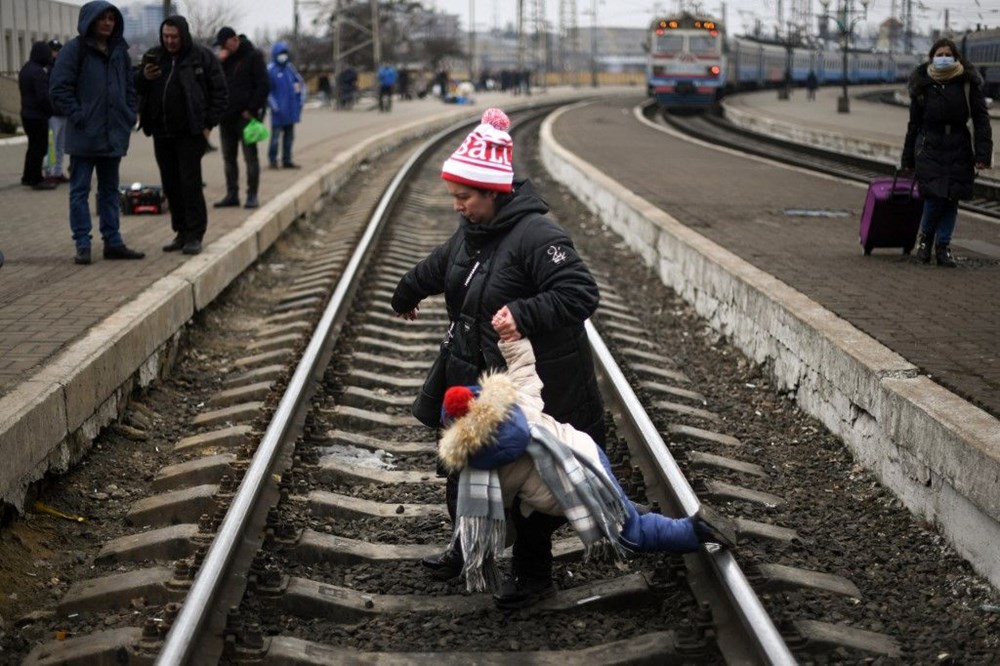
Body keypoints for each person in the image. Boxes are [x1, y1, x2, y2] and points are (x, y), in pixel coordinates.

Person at [391, 108, 605, 608]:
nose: (457, 207)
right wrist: (406, 294)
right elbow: (438, 267)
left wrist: (526, 312)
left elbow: (581, 294)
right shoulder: (473, 233)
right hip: (477, 376)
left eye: (464, 198)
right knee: (462, 469)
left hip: (536, 385)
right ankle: (467, 549)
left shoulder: (538, 236)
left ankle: (534, 578)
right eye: (454, 197)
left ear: (493, 192)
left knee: (531, 487)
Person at [438, 332, 737, 605]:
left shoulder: (488, 466)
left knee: (631, 535)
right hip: (582, 450)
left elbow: (497, 524)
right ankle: (626, 507)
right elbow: (523, 369)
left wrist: (471, 549)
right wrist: (511, 339)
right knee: (538, 513)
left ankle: (696, 529)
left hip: (580, 482)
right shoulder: (513, 403)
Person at [49, 0, 144, 265]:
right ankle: (82, 243)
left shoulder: (119, 52)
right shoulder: (74, 50)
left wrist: (128, 113)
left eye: (112, 18)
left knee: (110, 191)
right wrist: (79, 116)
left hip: (113, 134)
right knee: (79, 190)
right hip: (84, 135)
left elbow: (129, 88)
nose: (107, 23)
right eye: (102, 18)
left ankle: (113, 241)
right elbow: (58, 89)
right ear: (90, 20)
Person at [137, 15, 228, 256]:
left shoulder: (201, 57)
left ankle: (195, 235)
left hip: (190, 132)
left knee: (190, 183)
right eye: (166, 36)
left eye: (174, 37)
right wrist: (143, 77)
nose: (170, 41)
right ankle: (181, 231)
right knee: (171, 184)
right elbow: (136, 86)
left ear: (183, 35)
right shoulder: (154, 56)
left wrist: (208, 125)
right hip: (161, 132)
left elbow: (220, 93)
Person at [901, 38, 993, 268]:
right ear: (932, 57)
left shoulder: (967, 83)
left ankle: (943, 247)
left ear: (956, 57)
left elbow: (982, 120)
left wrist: (983, 155)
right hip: (929, 146)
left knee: (952, 199)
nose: (943, 58)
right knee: (934, 197)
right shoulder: (922, 85)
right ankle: (925, 243)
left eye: (947, 54)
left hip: (959, 147)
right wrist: (908, 159)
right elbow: (913, 125)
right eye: (939, 54)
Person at [213, 26, 269, 210]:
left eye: (224, 44)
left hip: (246, 117)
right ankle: (232, 194)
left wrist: (252, 108)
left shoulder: (253, 57)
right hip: (226, 117)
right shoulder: (224, 60)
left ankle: (252, 195)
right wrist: (219, 63)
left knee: (250, 157)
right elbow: (215, 83)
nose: (223, 48)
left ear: (234, 40)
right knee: (229, 157)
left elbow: (263, 85)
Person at [19, 41, 56, 190]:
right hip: (37, 115)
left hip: (26, 114)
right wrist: (50, 110)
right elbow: (43, 97)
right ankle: (36, 179)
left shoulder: (25, 69)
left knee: (32, 146)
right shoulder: (39, 72)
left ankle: (27, 176)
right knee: (40, 147)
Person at [266, 42, 306, 170]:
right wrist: (274, 106)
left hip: (290, 110)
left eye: (284, 54)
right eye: (280, 54)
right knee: (275, 138)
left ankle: (287, 160)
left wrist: (300, 101)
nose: (283, 56)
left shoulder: (290, 68)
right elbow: (267, 91)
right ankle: (273, 160)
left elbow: (299, 84)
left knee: (289, 137)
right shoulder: (271, 70)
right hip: (278, 111)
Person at [43, 39, 68, 183]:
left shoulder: (64, 67)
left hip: (63, 112)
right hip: (52, 113)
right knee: (51, 144)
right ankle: (49, 172)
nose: (57, 53)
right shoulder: (47, 69)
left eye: (58, 50)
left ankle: (58, 171)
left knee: (61, 145)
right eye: (54, 50)